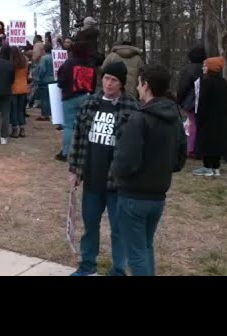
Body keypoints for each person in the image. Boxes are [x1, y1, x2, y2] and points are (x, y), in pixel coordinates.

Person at [111, 64, 187, 276]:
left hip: (134, 196)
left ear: (145, 85)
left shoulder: (139, 119)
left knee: (136, 253)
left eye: (139, 83)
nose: (137, 86)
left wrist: (117, 172)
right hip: (158, 196)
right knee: (145, 247)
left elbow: (126, 161)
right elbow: (180, 158)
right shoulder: (174, 118)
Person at [68, 61, 139, 276]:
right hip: (92, 176)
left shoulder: (131, 107)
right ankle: (87, 265)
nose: (108, 83)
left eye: (114, 80)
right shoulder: (90, 103)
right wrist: (74, 169)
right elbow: (78, 137)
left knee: (118, 230)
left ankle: (118, 270)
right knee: (90, 226)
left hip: (117, 182)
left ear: (122, 83)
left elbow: (134, 147)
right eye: (106, 78)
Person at [56, 40, 96, 162]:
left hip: (69, 97)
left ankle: (65, 153)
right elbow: (93, 84)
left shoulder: (68, 64)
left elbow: (61, 81)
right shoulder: (90, 65)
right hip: (86, 97)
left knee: (68, 126)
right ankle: (83, 152)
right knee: (85, 126)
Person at [194, 57, 227, 176]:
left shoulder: (207, 82)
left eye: (205, 66)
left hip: (208, 119)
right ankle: (216, 167)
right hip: (220, 120)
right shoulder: (223, 82)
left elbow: (202, 101)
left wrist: (198, 117)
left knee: (207, 143)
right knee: (216, 144)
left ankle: (207, 167)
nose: (203, 68)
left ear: (210, 69)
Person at [176, 45, 206, 158]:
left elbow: (183, 87)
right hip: (204, 101)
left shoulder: (188, 69)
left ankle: (191, 149)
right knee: (199, 124)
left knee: (192, 123)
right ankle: (200, 147)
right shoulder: (206, 68)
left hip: (191, 101)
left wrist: (179, 100)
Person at [9, 46, 29, 138]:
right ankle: (22, 129)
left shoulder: (11, 62)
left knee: (13, 110)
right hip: (23, 87)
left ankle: (15, 129)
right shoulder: (25, 60)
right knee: (21, 110)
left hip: (13, 88)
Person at [36, 43, 54, 121]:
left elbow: (42, 69)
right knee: (51, 98)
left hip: (45, 80)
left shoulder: (44, 58)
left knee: (44, 98)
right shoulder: (55, 57)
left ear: (44, 49)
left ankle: (44, 115)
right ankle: (51, 114)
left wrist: (38, 77)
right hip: (54, 80)